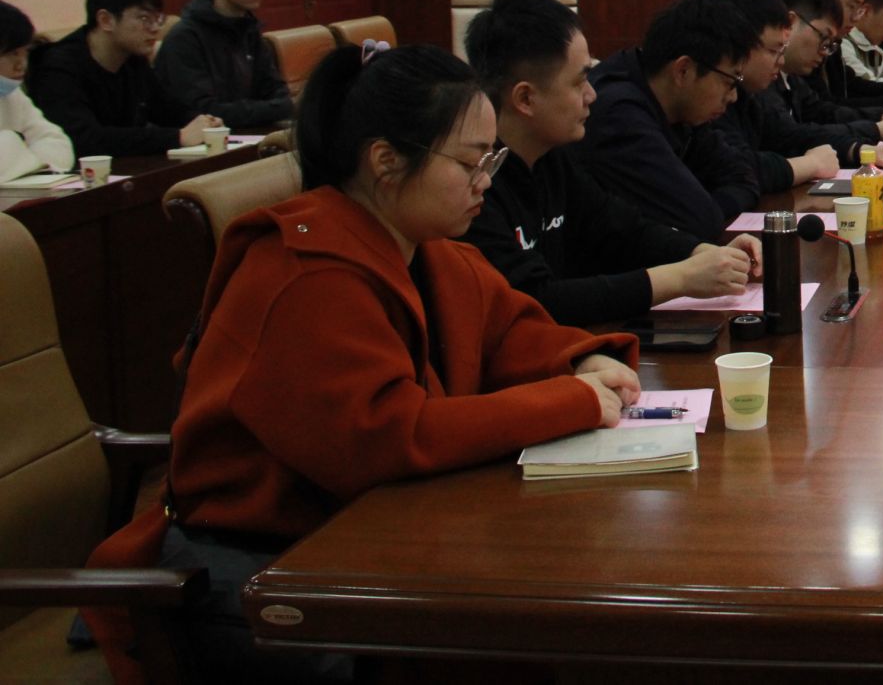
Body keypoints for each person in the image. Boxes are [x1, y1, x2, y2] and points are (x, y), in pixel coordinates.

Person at [85, 42, 642, 685]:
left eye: (491, 159)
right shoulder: (306, 273)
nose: (486, 181)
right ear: (385, 161)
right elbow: (384, 436)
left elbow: (506, 329)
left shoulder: (423, 244)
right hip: (263, 574)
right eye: (470, 162)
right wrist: (568, 401)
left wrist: (580, 361)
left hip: (362, 540)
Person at [463, 0, 757, 327]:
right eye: (579, 82)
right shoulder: (477, 185)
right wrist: (680, 278)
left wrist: (699, 252)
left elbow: (622, 229)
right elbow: (536, 301)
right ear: (526, 98)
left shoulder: (552, 159)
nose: (592, 94)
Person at [577, 0, 793, 223]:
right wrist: (708, 208)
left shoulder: (684, 110)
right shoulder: (619, 116)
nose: (733, 97)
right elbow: (699, 217)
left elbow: (744, 177)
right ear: (683, 71)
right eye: (729, 82)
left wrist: (710, 207)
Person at [26, 0, 220, 156]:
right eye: (144, 18)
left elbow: (166, 109)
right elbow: (84, 139)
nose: (155, 28)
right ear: (106, 20)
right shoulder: (58, 67)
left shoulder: (132, 59)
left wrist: (204, 122)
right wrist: (177, 137)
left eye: (158, 18)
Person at [690, 0, 840, 211]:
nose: (781, 62)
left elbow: (782, 138)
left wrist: (858, 143)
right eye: (774, 51)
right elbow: (741, 169)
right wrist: (810, 164)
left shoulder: (750, 96)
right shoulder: (647, 116)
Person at [765, 0, 883, 160]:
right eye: (852, 6)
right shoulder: (761, 80)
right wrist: (874, 130)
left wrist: (876, 120)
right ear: (791, 23)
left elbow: (822, 112)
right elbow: (789, 136)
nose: (825, 52)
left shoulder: (792, 77)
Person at [154, 0, 294, 128]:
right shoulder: (185, 38)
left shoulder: (249, 30)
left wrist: (273, 108)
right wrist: (271, 109)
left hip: (248, 134)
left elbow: (279, 95)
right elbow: (204, 112)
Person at [0, 0, 73, 180]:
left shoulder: (12, 94)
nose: (21, 65)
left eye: (25, 52)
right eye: (12, 53)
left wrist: (21, 158)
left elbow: (58, 143)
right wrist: (16, 145)